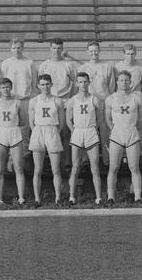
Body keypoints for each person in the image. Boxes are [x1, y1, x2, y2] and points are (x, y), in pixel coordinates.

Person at [105, 70, 142, 205]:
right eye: (121, 80)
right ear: (117, 82)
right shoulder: (110, 98)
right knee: (113, 167)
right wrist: (114, 129)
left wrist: (133, 128)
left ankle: (138, 197)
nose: (124, 83)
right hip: (117, 134)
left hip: (132, 134)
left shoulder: (137, 97)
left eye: (126, 80)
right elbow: (107, 118)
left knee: (134, 167)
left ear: (130, 82)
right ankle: (111, 197)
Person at [38, 38, 77, 170]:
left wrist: (71, 98)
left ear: (62, 49)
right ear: (50, 49)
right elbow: (40, 84)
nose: (56, 50)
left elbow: (76, 82)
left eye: (59, 48)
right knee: (49, 134)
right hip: (48, 104)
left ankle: (66, 162)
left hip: (64, 102)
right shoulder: (44, 65)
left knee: (65, 133)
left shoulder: (68, 65)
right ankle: (49, 162)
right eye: (54, 48)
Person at [66, 72, 104, 206]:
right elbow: (68, 120)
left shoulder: (94, 99)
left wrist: (94, 129)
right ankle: (71, 197)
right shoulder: (72, 100)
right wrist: (74, 131)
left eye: (85, 81)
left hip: (91, 132)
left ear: (89, 83)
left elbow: (100, 118)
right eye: (80, 82)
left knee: (94, 167)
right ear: (76, 83)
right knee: (75, 167)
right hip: (78, 132)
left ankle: (98, 198)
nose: (83, 84)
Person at [28, 74, 66, 207]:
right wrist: (37, 132)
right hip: (38, 131)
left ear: (51, 84)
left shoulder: (58, 101)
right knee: (37, 169)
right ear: (39, 86)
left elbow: (62, 122)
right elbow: (31, 122)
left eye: (47, 84)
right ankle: (37, 199)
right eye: (42, 84)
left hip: (52, 131)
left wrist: (54, 132)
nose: (45, 87)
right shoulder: (33, 101)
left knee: (55, 169)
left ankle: (58, 198)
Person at [0, 78, 27, 207]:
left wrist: (11, 126)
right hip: (1, 135)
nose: (6, 90)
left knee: (18, 167)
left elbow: (22, 121)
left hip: (15, 134)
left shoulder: (17, 103)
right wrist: (1, 127)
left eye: (8, 87)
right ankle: (0, 199)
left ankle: (21, 198)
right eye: (3, 87)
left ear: (11, 88)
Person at [77, 41, 116, 167]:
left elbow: (111, 86)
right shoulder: (82, 68)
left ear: (99, 51)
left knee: (105, 133)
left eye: (96, 50)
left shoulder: (107, 66)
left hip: (104, 102)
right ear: (87, 52)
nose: (94, 53)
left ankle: (107, 160)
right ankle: (85, 160)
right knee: (87, 131)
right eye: (91, 51)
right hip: (88, 104)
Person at [0, 37, 37, 168]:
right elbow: (2, 83)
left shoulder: (29, 62)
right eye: (14, 48)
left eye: (19, 47)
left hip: (25, 100)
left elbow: (34, 83)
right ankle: (11, 161)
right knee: (11, 128)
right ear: (10, 49)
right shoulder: (5, 63)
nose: (17, 50)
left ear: (23, 48)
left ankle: (25, 157)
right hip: (10, 101)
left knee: (25, 130)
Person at [114, 43, 142, 162]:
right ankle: (122, 154)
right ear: (123, 54)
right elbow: (115, 84)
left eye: (132, 53)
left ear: (136, 54)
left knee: (138, 124)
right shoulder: (117, 66)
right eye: (128, 54)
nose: (130, 56)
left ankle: (139, 150)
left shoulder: (140, 66)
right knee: (122, 125)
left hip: (136, 96)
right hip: (122, 98)